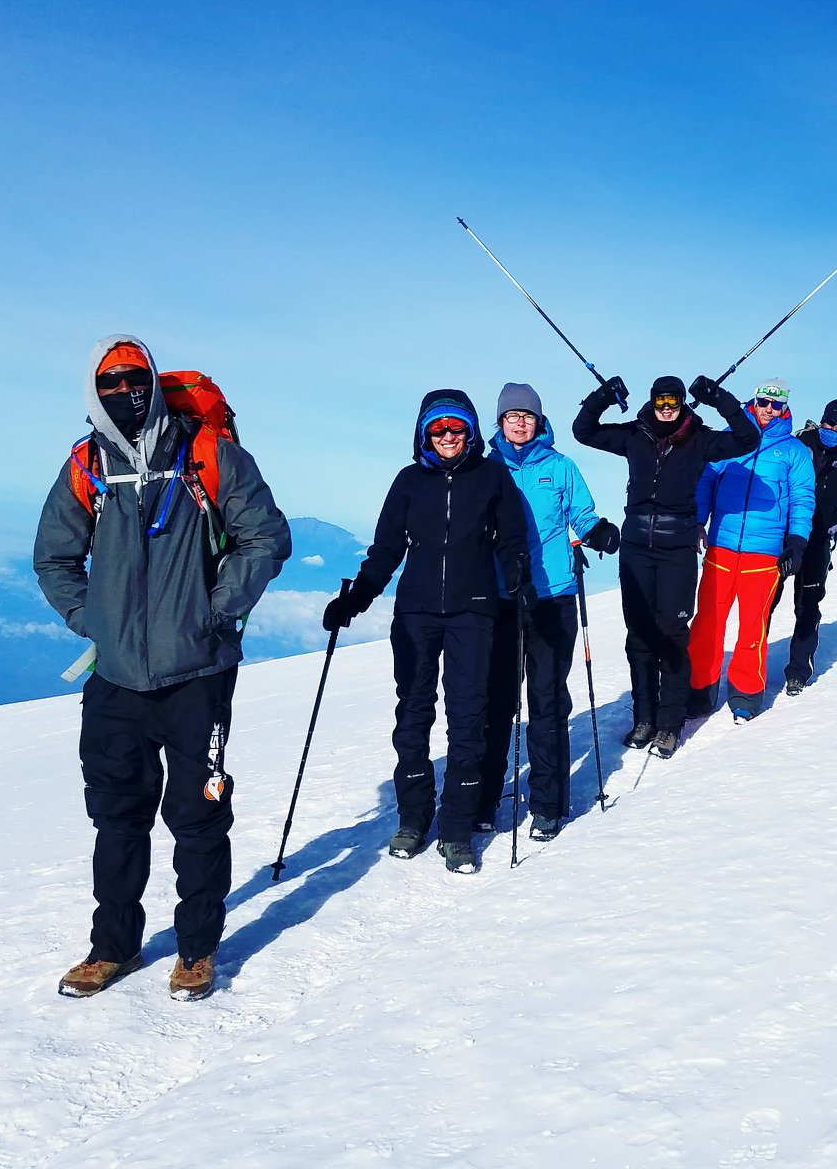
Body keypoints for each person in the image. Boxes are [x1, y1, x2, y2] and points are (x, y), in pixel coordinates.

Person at [34, 335, 291, 1002]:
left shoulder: (208, 455)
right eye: (110, 382)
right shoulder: (86, 465)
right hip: (115, 678)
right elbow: (53, 558)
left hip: (196, 676)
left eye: (134, 378)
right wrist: (90, 621)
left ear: (152, 380)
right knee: (116, 816)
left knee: (197, 814)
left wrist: (213, 612)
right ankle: (109, 949)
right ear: (95, 392)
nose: (124, 391)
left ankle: (197, 950)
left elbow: (267, 537)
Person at [322, 390, 529, 875]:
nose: (448, 437)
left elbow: (512, 539)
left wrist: (517, 574)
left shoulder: (492, 476)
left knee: (468, 716)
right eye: (438, 430)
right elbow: (386, 550)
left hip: (474, 612)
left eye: (456, 428)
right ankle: (414, 817)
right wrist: (356, 598)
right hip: (415, 612)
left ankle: (456, 827)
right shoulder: (409, 482)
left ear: (471, 432)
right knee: (413, 715)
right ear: (423, 434)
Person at [573, 372, 757, 757]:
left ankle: (669, 723)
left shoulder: (701, 438)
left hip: (677, 549)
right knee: (639, 634)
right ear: (653, 402)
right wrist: (604, 395)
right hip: (636, 546)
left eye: (674, 402)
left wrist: (718, 397)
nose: (668, 409)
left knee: (672, 633)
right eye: (661, 402)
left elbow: (747, 438)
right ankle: (644, 718)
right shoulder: (633, 435)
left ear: (682, 403)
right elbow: (583, 430)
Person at [476, 382, 619, 842]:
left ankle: (548, 804)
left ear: (539, 422)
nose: (520, 423)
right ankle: (484, 800)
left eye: (528, 416)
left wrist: (598, 531)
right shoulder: (485, 467)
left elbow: (582, 513)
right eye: (511, 416)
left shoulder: (560, 466)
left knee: (547, 700)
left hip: (551, 595)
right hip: (498, 597)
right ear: (498, 422)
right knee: (495, 703)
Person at [690, 377, 815, 719]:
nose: (769, 410)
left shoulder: (794, 452)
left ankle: (746, 693)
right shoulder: (731, 440)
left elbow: (803, 499)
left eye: (776, 405)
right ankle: (699, 689)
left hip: (765, 553)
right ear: (754, 401)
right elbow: (705, 480)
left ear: (785, 408)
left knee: (752, 625)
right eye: (764, 402)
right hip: (722, 545)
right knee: (707, 622)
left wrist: (796, 542)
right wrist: (698, 520)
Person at [775, 398, 837, 693]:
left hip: (817, 543)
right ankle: (752, 669)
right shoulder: (798, 442)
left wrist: (828, 528)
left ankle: (798, 672)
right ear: (822, 420)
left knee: (807, 606)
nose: (834, 429)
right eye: (830, 423)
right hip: (783, 538)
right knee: (764, 603)